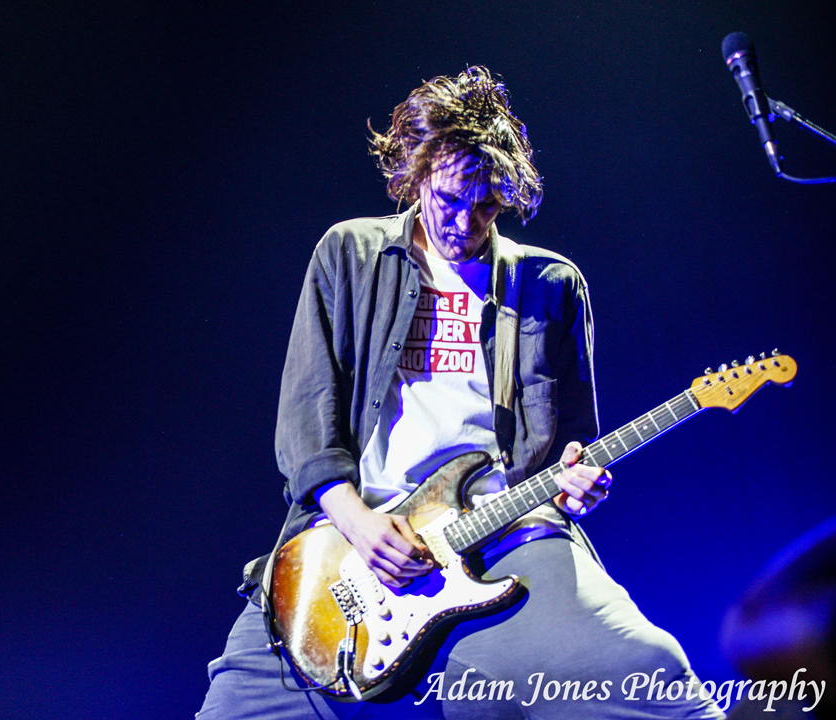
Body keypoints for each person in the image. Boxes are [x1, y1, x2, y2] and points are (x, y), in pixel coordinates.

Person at [197, 66, 724, 719]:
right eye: (449, 200)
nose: (465, 223)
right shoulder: (351, 254)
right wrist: (359, 523)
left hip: (507, 537)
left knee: (650, 678)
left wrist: (577, 486)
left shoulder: (551, 285)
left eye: (487, 206)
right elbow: (306, 423)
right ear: (415, 175)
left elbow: (570, 451)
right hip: (349, 541)